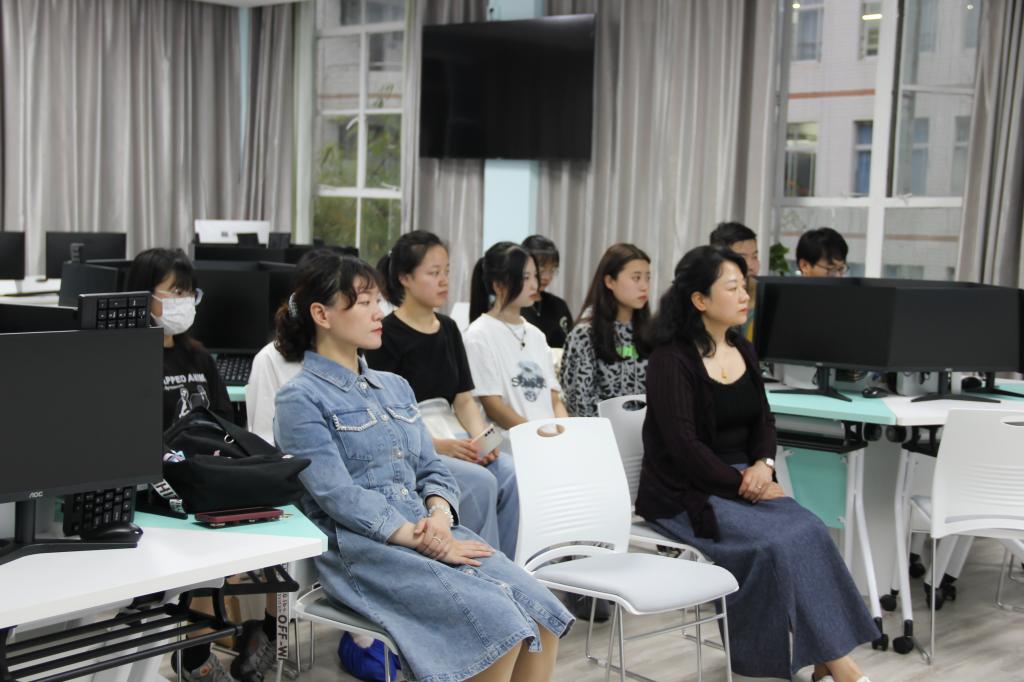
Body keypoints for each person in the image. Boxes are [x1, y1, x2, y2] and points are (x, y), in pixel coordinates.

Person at [273, 252, 572, 682]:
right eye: (364, 303)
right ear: (322, 314)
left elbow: (432, 469)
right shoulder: (299, 399)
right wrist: (424, 538)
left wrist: (439, 518)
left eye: (377, 301)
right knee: (501, 626)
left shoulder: (394, 387)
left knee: (542, 612)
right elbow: (338, 496)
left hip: (429, 531)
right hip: (366, 550)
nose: (379, 313)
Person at [635, 245, 876, 682]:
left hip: (743, 480)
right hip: (684, 492)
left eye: (744, 286)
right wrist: (743, 484)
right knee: (773, 545)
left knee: (810, 529)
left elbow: (764, 420)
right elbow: (684, 448)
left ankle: (830, 657)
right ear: (700, 300)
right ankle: (839, 666)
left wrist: (764, 465)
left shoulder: (742, 348)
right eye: (732, 287)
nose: (745, 295)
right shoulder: (671, 360)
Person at [126, 249, 268, 682]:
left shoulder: (199, 357)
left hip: (203, 479)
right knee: (210, 544)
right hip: (156, 486)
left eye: (189, 293)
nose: (183, 301)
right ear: (143, 294)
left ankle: (204, 649)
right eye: (174, 292)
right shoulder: (128, 354)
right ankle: (196, 654)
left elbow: (224, 422)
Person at [364, 230, 519, 558]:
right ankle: (483, 565)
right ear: (405, 278)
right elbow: (387, 419)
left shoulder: (448, 328)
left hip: (457, 435)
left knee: (512, 473)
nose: (444, 280)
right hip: (420, 442)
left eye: (446, 271)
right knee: (483, 481)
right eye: (434, 273)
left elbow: (463, 399)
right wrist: (441, 447)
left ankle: (510, 562)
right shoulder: (385, 335)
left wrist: (483, 440)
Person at [464, 242, 568, 432]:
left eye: (534, 276)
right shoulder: (478, 335)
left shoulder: (536, 335)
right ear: (499, 285)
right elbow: (494, 407)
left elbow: (554, 400)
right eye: (525, 277)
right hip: (515, 442)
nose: (535, 285)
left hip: (550, 441)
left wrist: (566, 433)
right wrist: (538, 434)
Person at [559, 243, 651, 418]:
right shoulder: (585, 334)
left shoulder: (651, 332)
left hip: (644, 430)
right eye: (636, 278)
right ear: (610, 281)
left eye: (648, 278)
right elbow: (579, 404)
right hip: (600, 431)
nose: (644, 286)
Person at [520, 235, 573, 348]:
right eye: (542, 269)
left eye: (552, 270)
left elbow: (571, 345)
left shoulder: (559, 305)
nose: (547, 277)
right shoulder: (513, 307)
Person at [709, 222, 759, 340]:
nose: (751, 266)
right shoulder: (708, 302)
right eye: (742, 258)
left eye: (755, 257)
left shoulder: (763, 299)